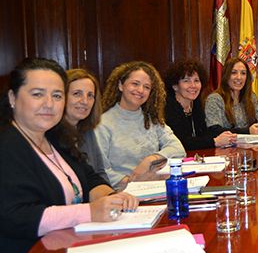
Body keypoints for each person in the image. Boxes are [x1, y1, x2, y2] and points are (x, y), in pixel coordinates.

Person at [0, 58, 138, 253]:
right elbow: (16, 216)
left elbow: (89, 177)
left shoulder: (55, 137)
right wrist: (89, 211)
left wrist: (110, 197)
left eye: (56, 95)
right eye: (37, 94)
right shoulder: (7, 146)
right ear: (12, 98)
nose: (49, 104)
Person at [95, 61, 186, 189]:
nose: (140, 90)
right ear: (121, 85)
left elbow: (178, 149)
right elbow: (101, 171)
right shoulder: (102, 124)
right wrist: (135, 182)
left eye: (147, 87)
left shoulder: (151, 120)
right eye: (135, 84)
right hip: (121, 194)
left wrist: (151, 159)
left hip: (154, 188)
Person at [163, 60, 236, 150]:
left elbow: (203, 134)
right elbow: (180, 142)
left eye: (196, 80)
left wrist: (225, 136)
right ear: (175, 86)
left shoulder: (196, 104)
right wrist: (215, 141)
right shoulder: (168, 107)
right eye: (186, 81)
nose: (193, 85)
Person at [58, 69, 110, 185]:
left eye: (90, 95)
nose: (85, 101)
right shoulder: (51, 134)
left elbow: (100, 172)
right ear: (61, 96)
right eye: (77, 94)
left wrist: (110, 196)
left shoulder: (87, 131)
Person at [205, 57, 258, 135]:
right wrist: (248, 131)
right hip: (225, 146)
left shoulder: (251, 97)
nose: (239, 77)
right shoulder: (214, 99)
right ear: (226, 76)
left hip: (251, 145)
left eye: (243, 73)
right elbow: (214, 130)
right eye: (234, 73)